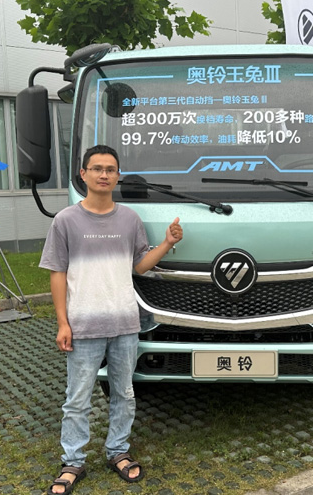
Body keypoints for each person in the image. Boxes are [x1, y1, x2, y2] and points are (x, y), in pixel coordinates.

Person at [39, 145, 183, 494]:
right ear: (83, 174)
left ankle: (118, 451)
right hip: (83, 325)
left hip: (124, 325)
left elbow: (139, 266)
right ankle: (73, 461)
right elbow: (57, 273)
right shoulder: (65, 221)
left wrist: (166, 244)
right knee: (77, 399)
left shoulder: (129, 219)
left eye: (110, 169)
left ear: (118, 176)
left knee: (124, 393)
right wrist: (63, 322)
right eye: (97, 168)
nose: (104, 174)